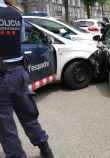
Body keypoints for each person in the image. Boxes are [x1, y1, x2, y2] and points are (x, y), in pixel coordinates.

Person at [0, 0, 54, 158]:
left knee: (6, 126)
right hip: (18, 72)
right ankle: (45, 149)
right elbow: (21, 40)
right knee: (28, 115)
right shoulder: (16, 13)